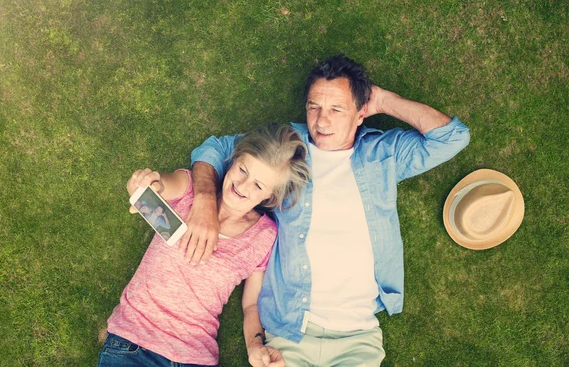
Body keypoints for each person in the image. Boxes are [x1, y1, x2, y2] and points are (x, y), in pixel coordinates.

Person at [187, 55, 471, 365]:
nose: (322, 121)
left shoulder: (383, 154)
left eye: (336, 109)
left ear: (361, 113)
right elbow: (214, 148)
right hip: (290, 330)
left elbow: (453, 138)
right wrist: (203, 199)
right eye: (314, 107)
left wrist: (385, 101)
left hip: (357, 336)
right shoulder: (286, 146)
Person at [98, 124, 310, 367]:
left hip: (196, 358)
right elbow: (156, 187)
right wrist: (142, 186)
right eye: (242, 170)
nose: (242, 185)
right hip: (134, 345)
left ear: (270, 197)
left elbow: (251, 304)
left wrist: (255, 345)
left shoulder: (264, 236)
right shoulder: (190, 190)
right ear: (233, 161)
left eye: (258, 186)